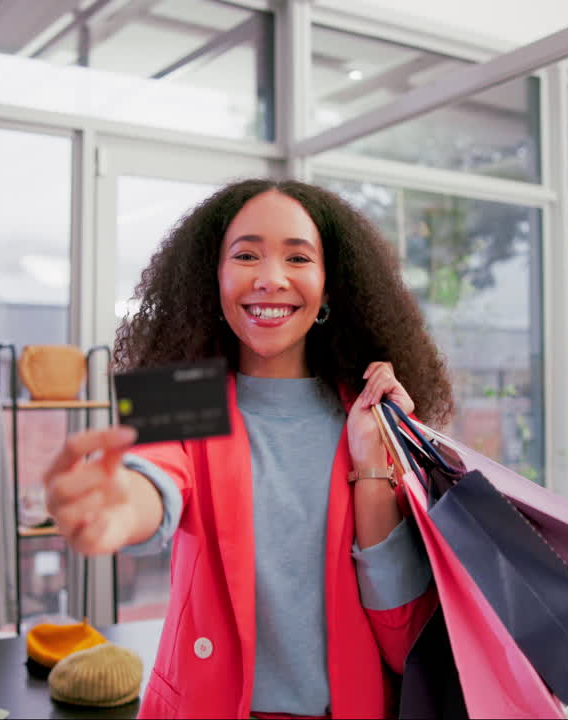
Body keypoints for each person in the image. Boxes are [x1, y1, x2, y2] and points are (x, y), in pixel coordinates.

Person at [42, 179, 455, 719]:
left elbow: (405, 640)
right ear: (212, 279)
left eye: (298, 258)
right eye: (246, 255)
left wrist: (372, 464)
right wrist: (118, 506)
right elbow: (153, 475)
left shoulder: (375, 415)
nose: (270, 279)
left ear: (330, 287)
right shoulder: (176, 391)